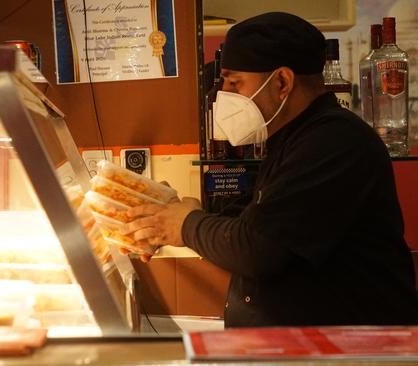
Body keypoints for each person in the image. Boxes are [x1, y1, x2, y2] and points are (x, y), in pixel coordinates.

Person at [121, 12, 418, 327]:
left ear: (281, 82)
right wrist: (176, 213)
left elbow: (256, 249)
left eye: (235, 83)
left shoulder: (334, 141)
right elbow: (256, 218)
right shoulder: (294, 139)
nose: (225, 96)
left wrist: (184, 225)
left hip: (352, 352)